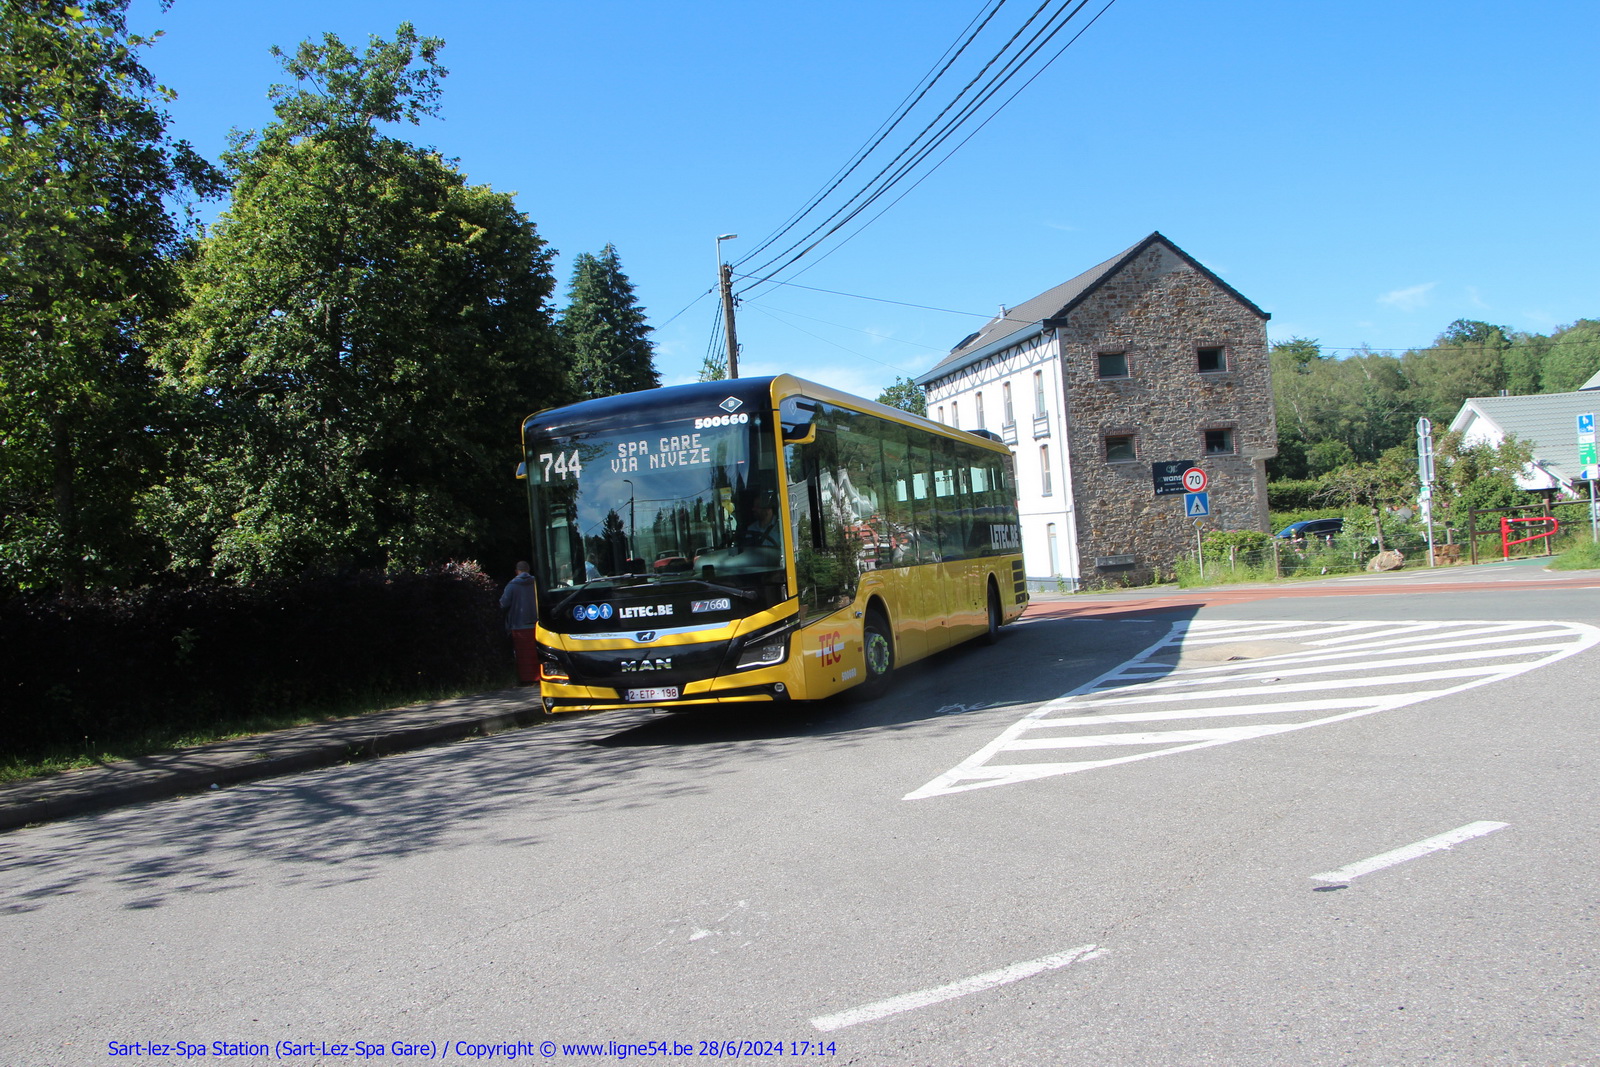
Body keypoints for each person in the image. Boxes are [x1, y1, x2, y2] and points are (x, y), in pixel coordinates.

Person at [500, 561, 539, 631]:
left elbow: (503, 604)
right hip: (537, 626)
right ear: (529, 569)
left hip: (517, 626)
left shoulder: (511, 585)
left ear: (516, 571)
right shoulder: (537, 583)